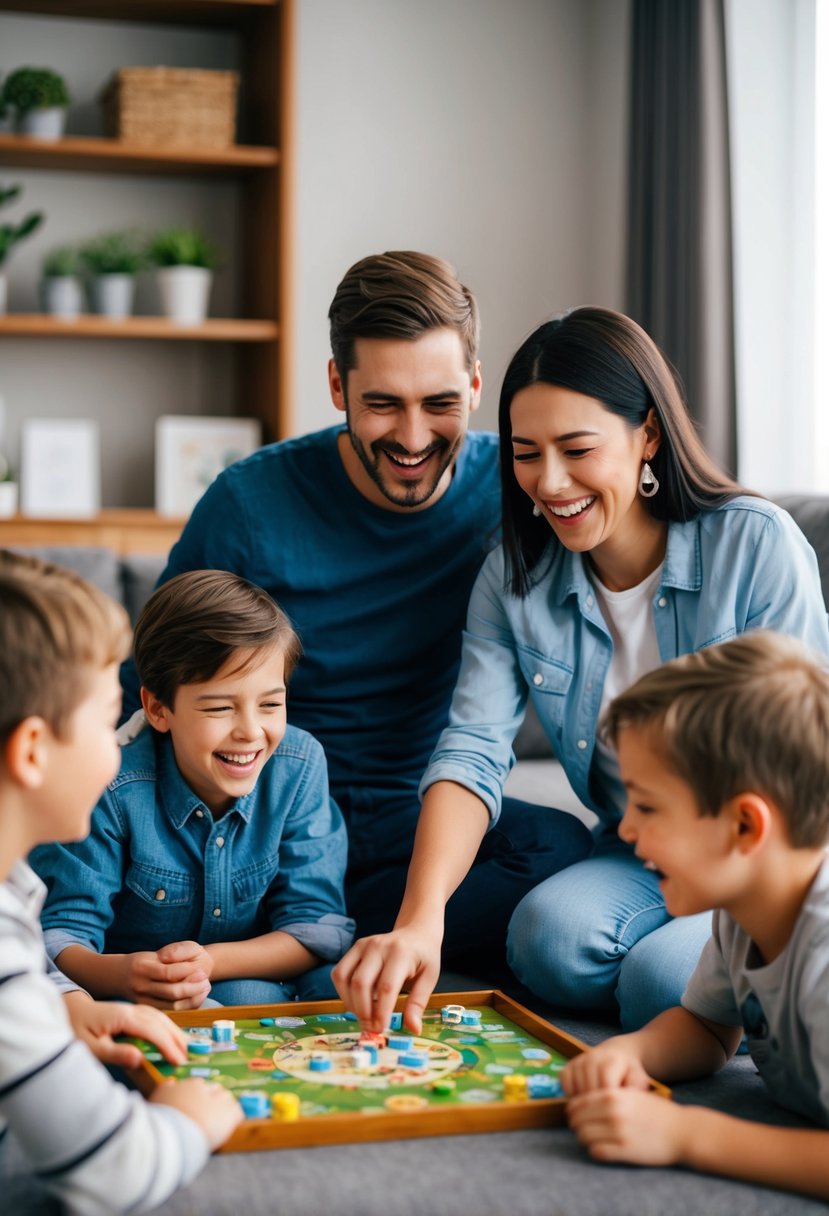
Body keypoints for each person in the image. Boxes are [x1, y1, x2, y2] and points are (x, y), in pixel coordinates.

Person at [333, 305, 829, 1035]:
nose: (549, 482)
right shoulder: (512, 577)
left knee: (659, 985)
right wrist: (420, 920)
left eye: (576, 449)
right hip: (643, 849)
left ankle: (758, 1000)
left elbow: (801, 763)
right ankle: (737, 1001)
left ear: (647, 435)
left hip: (768, 860)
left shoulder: (753, 544)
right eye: (525, 452)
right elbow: (471, 748)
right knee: (546, 942)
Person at [121, 251, 592, 974]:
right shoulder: (248, 504)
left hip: (420, 819)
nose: (411, 438)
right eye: (382, 404)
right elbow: (150, 683)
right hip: (277, 819)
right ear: (338, 386)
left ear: (474, 382)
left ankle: (329, 939)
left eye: (439, 403)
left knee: (557, 848)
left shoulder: (520, 485)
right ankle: (297, 931)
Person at [0, 550, 242, 1213]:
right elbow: (113, 1172)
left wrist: (66, 1008)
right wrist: (189, 1116)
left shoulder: (10, 884)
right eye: (108, 719)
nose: (121, 745)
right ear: (30, 751)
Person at [563, 632, 829, 1201]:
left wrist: (688, 1134)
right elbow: (710, 1028)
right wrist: (629, 1052)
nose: (626, 827)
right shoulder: (743, 910)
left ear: (745, 827)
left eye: (648, 805)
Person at [32, 569, 354, 1009]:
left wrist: (209, 962)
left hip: (251, 980)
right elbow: (62, 936)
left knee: (279, 992)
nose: (250, 731)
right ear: (159, 709)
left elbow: (317, 930)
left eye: (271, 704)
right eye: (220, 707)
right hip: (134, 995)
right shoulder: (109, 785)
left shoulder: (298, 766)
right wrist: (126, 975)